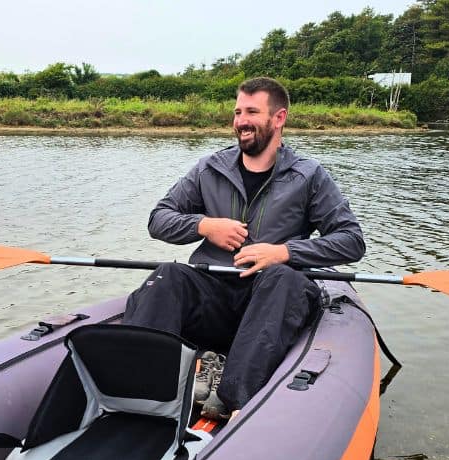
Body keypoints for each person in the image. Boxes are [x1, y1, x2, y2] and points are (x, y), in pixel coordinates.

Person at [123, 77, 365, 420]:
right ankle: (133, 384)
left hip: (272, 301)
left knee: (283, 278)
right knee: (169, 275)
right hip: (215, 294)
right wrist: (203, 226)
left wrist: (284, 252)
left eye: (251, 111)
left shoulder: (309, 175)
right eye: (238, 112)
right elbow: (158, 219)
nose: (240, 121)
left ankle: (233, 397)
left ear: (278, 118)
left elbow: (351, 240)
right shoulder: (209, 168)